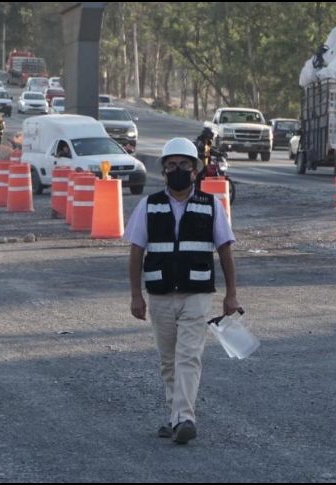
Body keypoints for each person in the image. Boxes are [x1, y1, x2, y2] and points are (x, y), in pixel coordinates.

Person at [125, 137, 240, 445]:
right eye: (172, 165)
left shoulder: (211, 205)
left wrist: (231, 294)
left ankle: (185, 419)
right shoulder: (149, 205)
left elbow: (225, 251)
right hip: (160, 294)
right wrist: (136, 295)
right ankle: (175, 417)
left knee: (188, 356)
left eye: (184, 165)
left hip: (196, 294)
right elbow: (136, 252)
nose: (177, 170)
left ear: (195, 170)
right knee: (169, 361)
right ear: (164, 170)